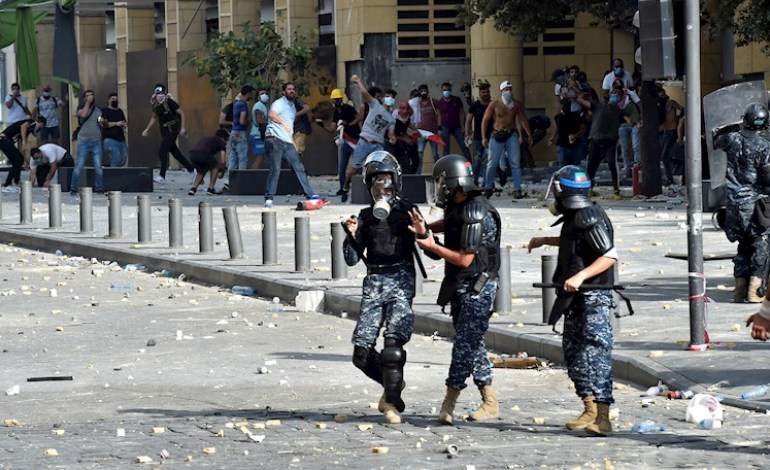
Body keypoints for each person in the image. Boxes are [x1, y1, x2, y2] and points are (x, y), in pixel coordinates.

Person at [410, 154, 502, 425]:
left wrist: (432, 246)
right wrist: (423, 228)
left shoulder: (476, 211)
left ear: (453, 183)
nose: (440, 189)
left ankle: (449, 402)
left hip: (477, 288)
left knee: (464, 346)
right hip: (462, 286)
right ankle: (489, 400)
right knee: (473, 344)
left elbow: (464, 259)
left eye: (441, 183)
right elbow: (448, 224)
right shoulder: (459, 206)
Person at [527, 165, 618, 436]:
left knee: (595, 354)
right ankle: (588, 407)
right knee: (574, 353)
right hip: (573, 299)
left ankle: (603, 417)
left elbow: (609, 255)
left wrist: (581, 276)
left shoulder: (589, 215)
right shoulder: (575, 216)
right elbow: (576, 243)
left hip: (593, 297)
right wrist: (546, 240)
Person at [343, 151, 418, 424]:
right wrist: (351, 235)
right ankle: (393, 384)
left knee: (392, 347)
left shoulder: (406, 211)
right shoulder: (365, 216)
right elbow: (351, 259)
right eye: (375, 182)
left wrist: (421, 231)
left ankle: (392, 398)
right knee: (361, 353)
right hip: (374, 282)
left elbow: (429, 248)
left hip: (400, 279)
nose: (381, 187)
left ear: (395, 181)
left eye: (385, 180)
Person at [715, 103, 770, 303]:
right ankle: (756, 290)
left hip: (731, 204)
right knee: (761, 243)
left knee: (743, 244)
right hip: (754, 204)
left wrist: (733, 125)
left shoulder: (731, 139)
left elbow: (716, 137)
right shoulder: (765, 146)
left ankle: (740, 288)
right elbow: (767, 176)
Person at [263, 82, 319, 208]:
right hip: (275, 139)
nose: (291, 91)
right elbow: (271, 115)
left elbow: (289, 128)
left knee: (299, 167)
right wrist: (283, 123)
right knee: (275, 169)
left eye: (293, 89)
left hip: (287, 142)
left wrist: (292, 140)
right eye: (289, 89)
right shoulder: (279, 103)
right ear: (284, 92)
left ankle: (310, 195)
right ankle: (269, 198)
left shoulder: (292, 107)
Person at [341, 75, 395, 202]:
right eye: (387, 97)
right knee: (352, 170)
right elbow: (365, 93)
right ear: (382, 98)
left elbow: (391, 134)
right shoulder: (375, 105)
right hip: (364, 142)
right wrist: (358, 82)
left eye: (392, 98)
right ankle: (345, 186)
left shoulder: (391, 119)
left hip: (378, 146)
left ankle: (377, 194)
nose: (389, 99)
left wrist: (392, 139)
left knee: (380, 170)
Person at [481, 80, 533, 199]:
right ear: (501, 91)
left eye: (510, 89)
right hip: (497, 135)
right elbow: (485, 120)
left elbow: (523, 120)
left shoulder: (516, 105)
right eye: (506, 89)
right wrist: (484, 137)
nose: (508, 91)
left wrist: (529, 134)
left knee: (515, 163)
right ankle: (488, 187)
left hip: (511, 135)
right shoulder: (495, 104)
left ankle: (517, 189)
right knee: (491, 163)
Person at [141, 84, 194, 184]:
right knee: (176, 153)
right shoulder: (156, 105)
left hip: (172, 129)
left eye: (161, 94)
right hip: (164, 131)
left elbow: (181, 113)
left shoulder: (169, 102)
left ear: (165, 94)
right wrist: (147, 129)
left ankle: (162, 176)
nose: (159, 96)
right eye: (158, 94)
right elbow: (154, 117)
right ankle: (192, 170)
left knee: (162, 151)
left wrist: (182, 128)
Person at [578, 82, 623, 198]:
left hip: (610, 141)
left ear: (620, 98)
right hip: (596, 140)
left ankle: (616, 191)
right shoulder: (598, 105)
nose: (615, 95)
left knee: (612, 165)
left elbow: (631, 118)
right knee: (591, 166)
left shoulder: (619, 110)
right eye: (614, 93)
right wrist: (584, 94)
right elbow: (581, 100)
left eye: (618, 94)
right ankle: (589, 189)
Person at [71, 90, 104, 195]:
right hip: (84, 141)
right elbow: (84, 115)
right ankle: (73, 188)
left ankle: (99, 188)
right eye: (88, 96)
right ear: (84, 98)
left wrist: (104, 123)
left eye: (92, 95)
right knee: (79, 165)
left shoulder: (98, 110)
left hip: (96, 141)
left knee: (98, 166)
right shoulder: (80, 109)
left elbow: (101, 123)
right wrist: (87, 103)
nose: (90, 97)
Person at [551, 79, 588, 167]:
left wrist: (575, 135)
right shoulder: (560, 113)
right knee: (563, 170)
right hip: (563, 145)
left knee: (576, 168)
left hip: (575, 145)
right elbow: (558, 126)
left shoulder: (577, 113)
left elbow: (583, 129)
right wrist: (553, 137)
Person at [331, 88, 360, 195]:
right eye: (335, 99)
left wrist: (348, 123)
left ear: (341, 99)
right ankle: (343, 188)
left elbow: (358, 118)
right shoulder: (336, 112)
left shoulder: (348, 108)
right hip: (345, 140)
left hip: (355, 139)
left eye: (338, 99)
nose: (336, 101)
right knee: (342, 166)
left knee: (358, 165)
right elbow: (333, 127)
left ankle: (360, 187)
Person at [0, 116, 40, 191]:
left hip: (4, 142)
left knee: (19, 160)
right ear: (40, 123)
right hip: (3, 139)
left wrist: (26, 162)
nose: (37, 132)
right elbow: (23, 126)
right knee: (17, 161)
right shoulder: (32, 122)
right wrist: (24, 141)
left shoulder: (27, 132)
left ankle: (15, 181)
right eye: (38, 129)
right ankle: (8, 183)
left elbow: (21, 148)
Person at [188, 129, 229, 195]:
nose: (226, 142)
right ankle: (210, 189)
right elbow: (223, 160)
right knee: (215, 167)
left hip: (192, 154)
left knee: (201, 171)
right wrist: (222, 169)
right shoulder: (221, 142)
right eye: (226, 140)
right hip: (203, 154)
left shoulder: (208, 138)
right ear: (223, 138)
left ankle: (193, 189)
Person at [466, 81, 492, 183]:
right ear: (480, 93)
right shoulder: (475, 105)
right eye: (483, 92)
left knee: (487, 161)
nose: (485, 94)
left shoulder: (492, 104)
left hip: (490, 137)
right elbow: (468, 120)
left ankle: (486, 183)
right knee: (476, 161)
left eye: (487, 92)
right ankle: (474, 181)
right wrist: (467, 134)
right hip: (477, 137)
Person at [437, 82, 469, 160]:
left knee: (464, 146)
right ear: (442, 91)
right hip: (445, 127)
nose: (446, 91)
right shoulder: (440, 102)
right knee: (446, 149)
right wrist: (439, 128)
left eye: (448, 89)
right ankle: (446, 169)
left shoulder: (457, 100)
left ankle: (469, 168)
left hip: (457, 127)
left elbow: (461, 113)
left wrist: (462, 126)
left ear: (451, 90)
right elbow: (439, 116)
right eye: (444, 90)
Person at [657, 86, 683, 185]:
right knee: (664, 156)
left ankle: (670, 178)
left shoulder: (670, 103)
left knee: (664, 156)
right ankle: (668, 177)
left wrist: (678, 120)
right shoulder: (660, 105)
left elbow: (682, 109)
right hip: (665, 131)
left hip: (671, 131)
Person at [411, 84, 441, 168]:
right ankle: (418, 174)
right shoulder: (416, 103)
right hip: (421, 133)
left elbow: (438, 114)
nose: (423, 92)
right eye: (421, 91)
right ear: (419, 92)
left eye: (425, 90)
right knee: (420, 153)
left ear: (428, 91)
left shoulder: (433, 101)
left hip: (432, 132)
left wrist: (439, 127)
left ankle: (438, 172)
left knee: (435, 154)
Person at [386, 101, 420, 174]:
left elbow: (408, 125)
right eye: (402, 108)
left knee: (410, 162)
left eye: (406, 108)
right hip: (392, 143)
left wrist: (416, 131)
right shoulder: (394, 117)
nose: (404, 111)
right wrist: (404, 139)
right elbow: (391, 135)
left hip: (401, 143)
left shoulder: (408, 116)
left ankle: (408, 178)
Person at [617, 84, 641, 177]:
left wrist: (639, 120)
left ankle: (636, 167)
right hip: (622, 126)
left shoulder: (630, 99)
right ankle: (628, 169)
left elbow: (639, 107)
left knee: (636, 146)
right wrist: (625, 117)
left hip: (635, 124)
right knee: (625, 148)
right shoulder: (615, 102)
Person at [229, 85, 254, 171]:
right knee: (242, 158)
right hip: (240, 133)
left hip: (233, 132)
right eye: (251, 93)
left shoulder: (236, 104)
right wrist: (249, 121)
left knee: (233, 158)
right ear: (248, 93)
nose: (252, 96)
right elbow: (242, 121)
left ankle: (231, 181)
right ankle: (242, 181)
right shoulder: (243, 105)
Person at [100, 92, 128, 167]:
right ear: (108, 100)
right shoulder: (104, 111)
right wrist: (116, 123)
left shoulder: (120, 111)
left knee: (123, 159)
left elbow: (124, 121)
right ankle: (114, 175)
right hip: (110, 139)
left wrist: (124, 125)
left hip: (121, 139)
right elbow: (104, 124)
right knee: (116, 158)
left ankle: (113, 172)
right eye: (113, 99)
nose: (115, 100)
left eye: (116, 99)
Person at [250, 88, 270, 169]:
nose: (264, 95)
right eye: (262, 94)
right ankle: (252, 177)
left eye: (265, 93)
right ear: (258, 97)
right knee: (259, 158)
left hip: (262, 134)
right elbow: (260, 121)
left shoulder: (265, 106)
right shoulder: (258, 106)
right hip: (258, 135)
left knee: (263, 157)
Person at [293, 93, 312, 157]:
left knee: (297, 151)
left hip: (300, 129)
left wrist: (295, 114)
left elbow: (307, 108)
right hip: (292, 130)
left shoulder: (298, 100)